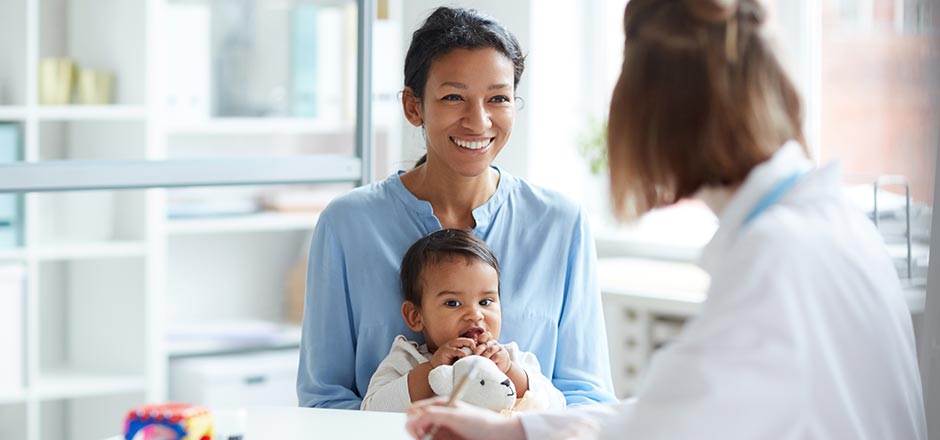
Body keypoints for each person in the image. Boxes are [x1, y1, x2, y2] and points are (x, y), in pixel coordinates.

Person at [405, 0, 929, 438]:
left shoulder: (778, 255)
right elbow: (675, 409)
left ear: (658, 114)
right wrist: (510, 432)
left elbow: (665, 425)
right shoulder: (826, 224)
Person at [297, 6, 616, 409]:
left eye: (498, 98)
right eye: (453, 97)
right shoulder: (347, 225)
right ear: (414, 107)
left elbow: (589, 399)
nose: (478, 121)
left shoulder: (561, 224)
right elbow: (323, 402)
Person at [360, 228, 566, 412]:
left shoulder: (512, 357)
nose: (475, 314)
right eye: (453, 303)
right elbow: (371, 410)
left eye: (485, 301)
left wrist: (511, 372)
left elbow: (557, 406)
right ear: (415, 316)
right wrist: (431, 370)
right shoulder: (407, 359)